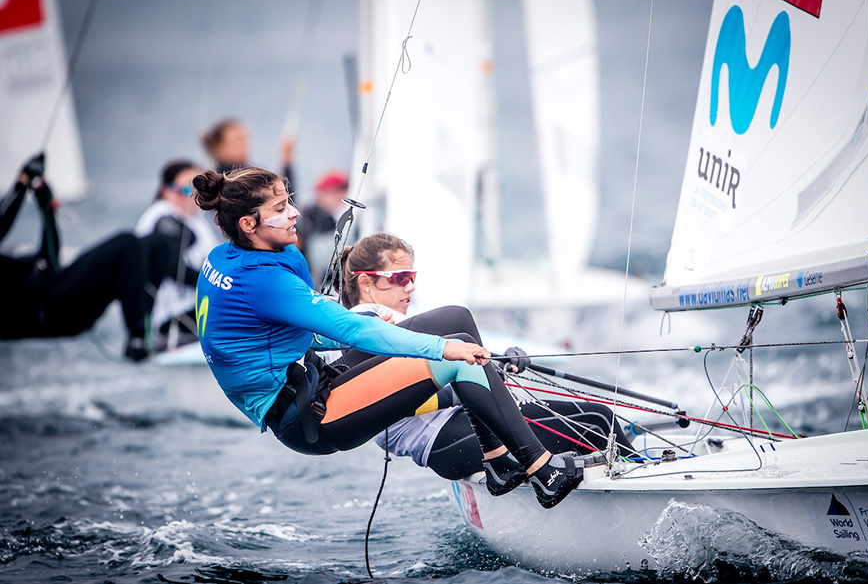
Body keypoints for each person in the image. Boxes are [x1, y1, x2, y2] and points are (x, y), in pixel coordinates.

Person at [192, 166, 583, 509]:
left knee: (454, 318)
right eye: (280, 208)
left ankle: (496, 459)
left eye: (289, 200)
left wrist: (376, 329)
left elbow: (288, 333)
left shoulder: (228, 256)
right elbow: (351, 330)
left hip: (311, 382)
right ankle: (544, 471)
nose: (295, 212)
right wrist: (442, 348)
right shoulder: (262, 280)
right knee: (455, 355)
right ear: (249, 224)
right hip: (307, 418)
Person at [337, 232, 637, 481]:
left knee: (598, 417)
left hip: (457, 430)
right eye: (401, 277)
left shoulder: (394, 326)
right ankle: (639, 480)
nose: (411, 286)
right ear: (366, 283)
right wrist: (479, 383)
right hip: (445, 440)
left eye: (412, 276)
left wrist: (498, 361)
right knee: (597, 422)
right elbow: (395, 403)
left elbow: (447, 359)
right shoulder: (366, 334)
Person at [0, 154, 164, 361]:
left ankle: (161, 331)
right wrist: (21, 183)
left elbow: (48, 260)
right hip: (53, 308)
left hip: (68, 311)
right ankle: (138, 339)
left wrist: (46, 208)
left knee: (155, 245)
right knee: (127, 244)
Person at [135, 160, 221, 349]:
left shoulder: (196, 221)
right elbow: (171, 265)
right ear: (166, 191)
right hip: (172, 319)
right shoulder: (162, 215)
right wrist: (219, 285)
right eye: (186, 190)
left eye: (199, 190)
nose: (192, 196)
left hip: (198, 309)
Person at [201, 119, 294, 186]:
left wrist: (286, 162)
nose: (244, 145)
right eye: (238, 140)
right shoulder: (219, 182)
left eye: (245, 139)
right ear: (220, 148)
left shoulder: (253, 173)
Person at [295, 170, 351, 283]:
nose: (318, 200)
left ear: (340, 192)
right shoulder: (317, 216)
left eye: (322, 194)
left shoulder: (346, 217)